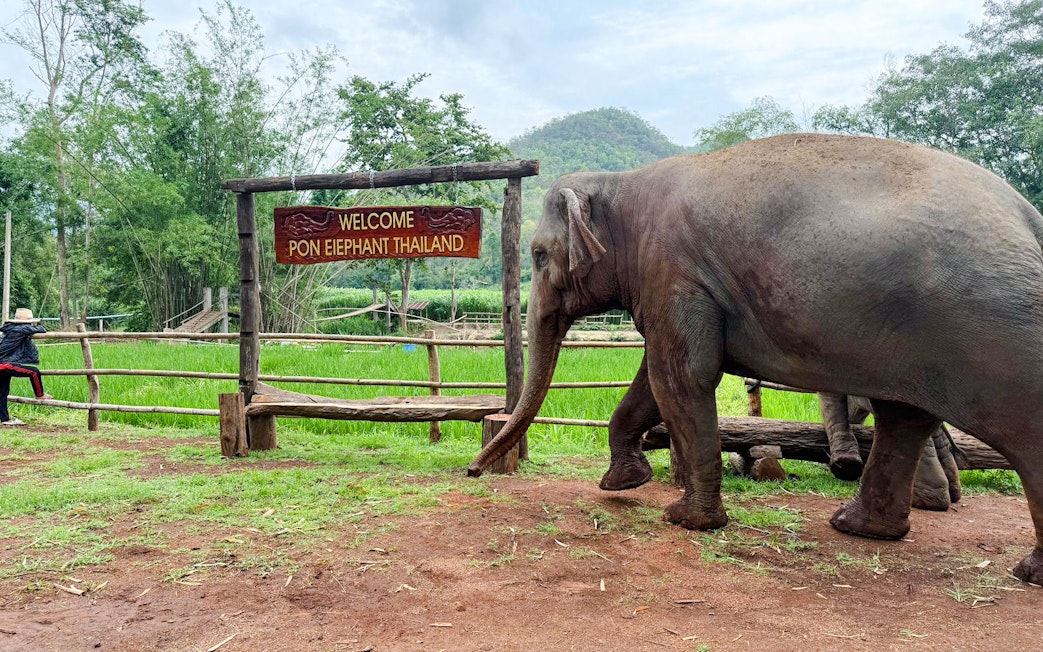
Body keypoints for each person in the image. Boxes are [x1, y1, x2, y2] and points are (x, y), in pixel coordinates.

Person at [0, 308, 52, 426]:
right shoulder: (22, 329)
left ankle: (4, 419)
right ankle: (40, 395)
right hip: (4, 364)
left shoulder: (9, 328)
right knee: (34, 372)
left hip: (2, 364)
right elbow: (41, 329)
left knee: (2, 392)